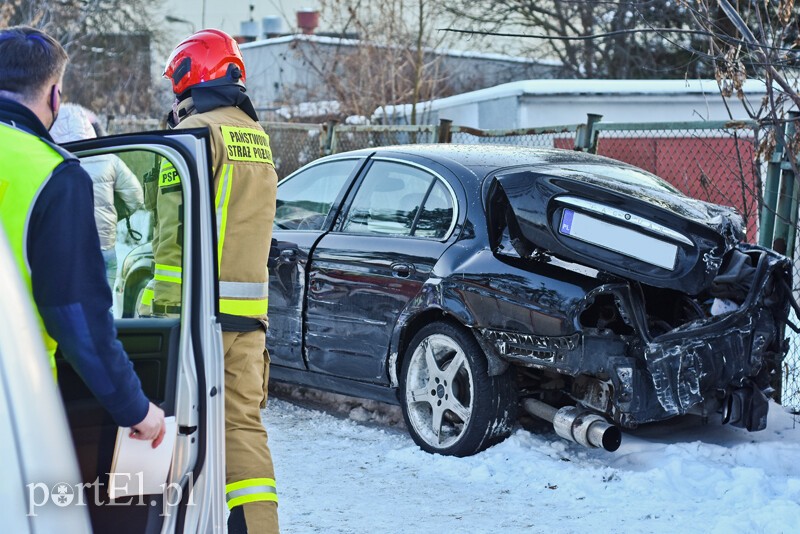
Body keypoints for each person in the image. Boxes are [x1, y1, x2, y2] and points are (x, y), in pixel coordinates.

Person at [0, 26, 165, 447]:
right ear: (55, 94)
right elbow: (75, 314)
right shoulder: (51, 172)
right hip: (16, 404)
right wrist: (134, 407)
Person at [160, 29, 279, 533]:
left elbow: (172, 238)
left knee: (173, 432)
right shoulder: (256, 136)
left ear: (193, 74)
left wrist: (163, 318)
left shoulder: (193, 136)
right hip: (249, 319)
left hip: (197, 318)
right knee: (243, 429)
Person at [51, 103, 144, 288]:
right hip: (104, 247)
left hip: (65, 249)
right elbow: (136, 197)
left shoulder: (49, 158)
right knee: (103, 306)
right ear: (88, 126)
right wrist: (111, 213)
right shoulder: (109, 159)